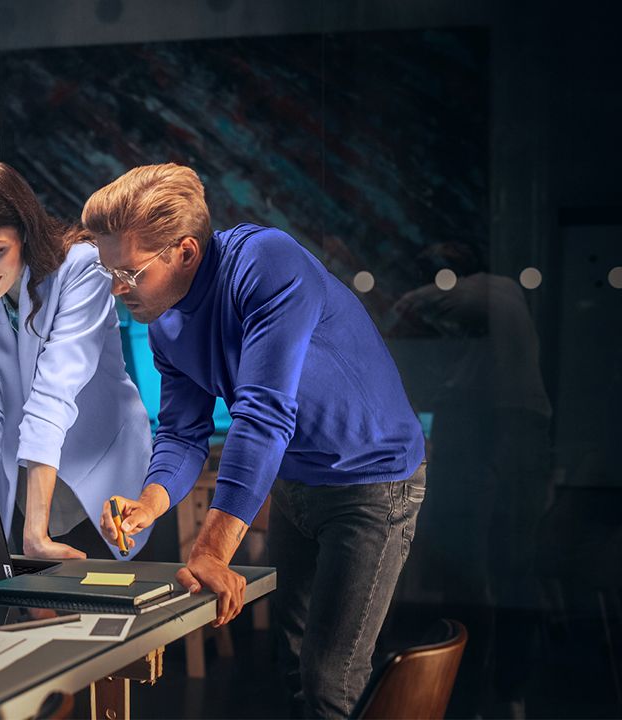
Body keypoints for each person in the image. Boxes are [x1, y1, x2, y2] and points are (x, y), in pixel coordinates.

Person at [84, 164, 426, 718]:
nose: (119, 289)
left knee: (329, 681)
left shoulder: (269, 262)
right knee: (291, 662)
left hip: (372, 482)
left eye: (129, 273)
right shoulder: (165, 323)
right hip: (296, 484)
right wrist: (149, 502)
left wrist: (213, 550)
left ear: (186, 252)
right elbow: (181, 431)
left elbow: (264, 413)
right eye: (110, 274)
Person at [0, 161, 153, 560]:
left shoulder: (83, 269)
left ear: (25, 234)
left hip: (102, 473)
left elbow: (54, 391)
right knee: (31, 614)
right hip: (28, 476)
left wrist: (36, 535)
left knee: (113, 612)